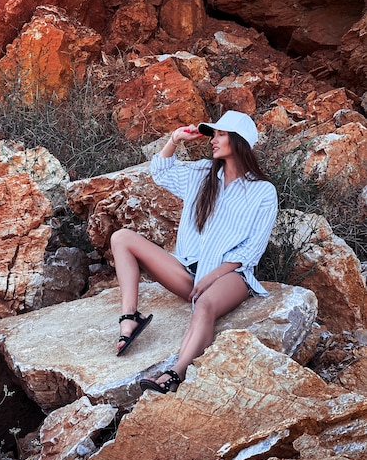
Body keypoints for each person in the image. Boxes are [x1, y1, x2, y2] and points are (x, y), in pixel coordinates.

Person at [110, 110, 278, 394]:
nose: (213, 139)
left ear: (239, 142)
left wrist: (212, 277)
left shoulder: (263, 192)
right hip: (188, 271)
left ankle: (176, 372)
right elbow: (160, 172)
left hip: (232, 275)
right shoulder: (201, 173)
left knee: (205, 305)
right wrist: (175, 139)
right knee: (121, 237)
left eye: (221, 134)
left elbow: (251, 250)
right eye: (214, 134)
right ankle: (130, 318)